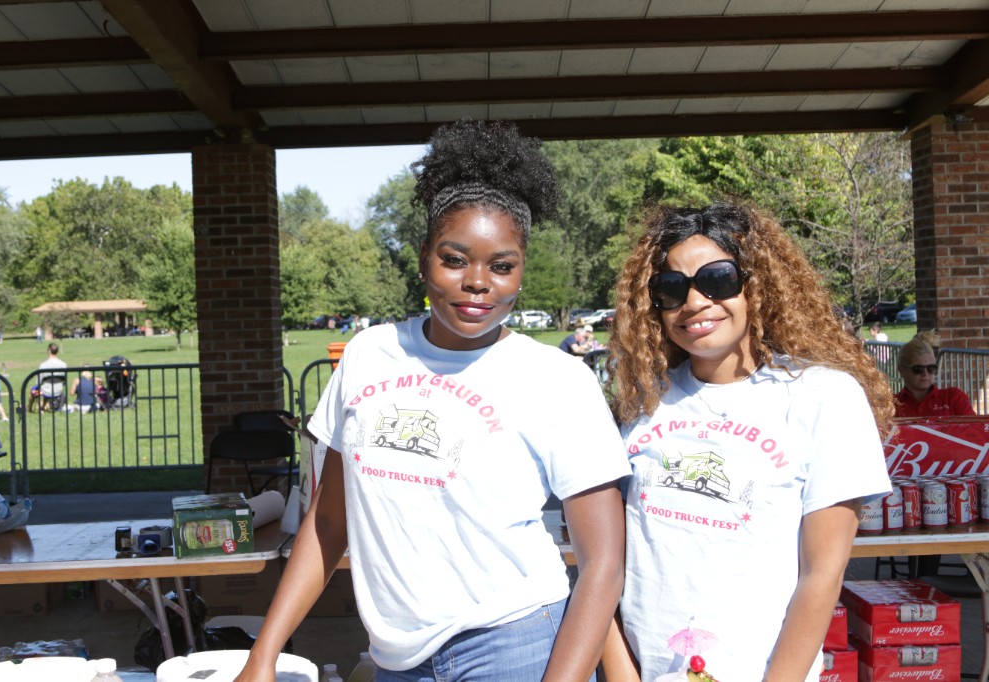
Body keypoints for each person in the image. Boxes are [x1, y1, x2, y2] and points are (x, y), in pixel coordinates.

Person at [235, 119, 630, 682]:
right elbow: (328, 521)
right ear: (424, 259)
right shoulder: (369, 355)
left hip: (516, 648)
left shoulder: (556, 379)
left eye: (501, 266)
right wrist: (264, 654)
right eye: (455, 258)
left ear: (520, 273)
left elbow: (602, 563)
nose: (478, 282)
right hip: (397, 660)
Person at [601, 202, 895, 682]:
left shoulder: (824, 397)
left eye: (718, 280)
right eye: (672, 289)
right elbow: (603, 563)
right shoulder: (640, 404)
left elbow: (821, 576)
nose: (694, 302)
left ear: (756, 284)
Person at [894, 330, 975, 418]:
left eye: (931, 368)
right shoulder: (891, 405)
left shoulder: (953, 398)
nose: (925, 374)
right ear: (901, 370)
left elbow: (974, 429)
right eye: (918, 369)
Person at [37, 343, 67, 412]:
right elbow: (64, 380)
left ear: (49, 351)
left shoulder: (43, 365)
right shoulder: (63, 364)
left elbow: (38, 382)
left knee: (33, 390)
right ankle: (43, 406)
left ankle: (29, 409)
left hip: (45, 391)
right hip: (59, 390)